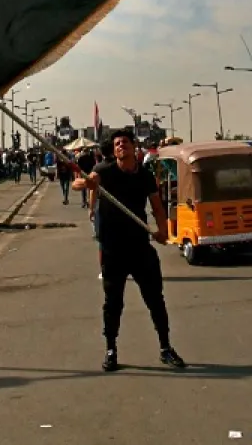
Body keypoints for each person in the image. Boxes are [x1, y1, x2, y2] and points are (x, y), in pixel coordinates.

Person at [73, 127, 183, 373]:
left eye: (125, 142)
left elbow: (156, 206)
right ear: (114, 151)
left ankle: (166, 348)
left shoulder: (144, 176)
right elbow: (78, 184)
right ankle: (111, 350)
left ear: (134, 147)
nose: (121, 145)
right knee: (113, 303)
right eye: (117, 144)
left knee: (156, 299)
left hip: (139, 246)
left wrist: (163, 231)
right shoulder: (104, 171)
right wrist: (87, 183)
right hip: (113, 249)